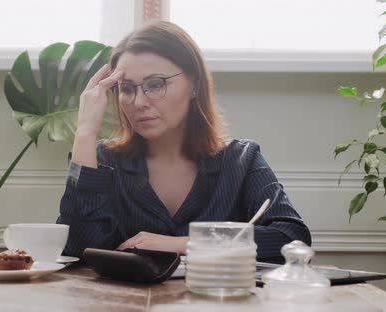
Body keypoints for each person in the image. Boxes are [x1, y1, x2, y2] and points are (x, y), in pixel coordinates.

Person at [56, 21, 310, 263]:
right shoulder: (101, 160)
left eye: (155, 84)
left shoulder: (241, 159)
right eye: (127, 89)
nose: (139, 102)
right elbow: (78, 251)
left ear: (194, 85)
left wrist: (183, 244)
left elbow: (291, 237)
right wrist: (85, 133)